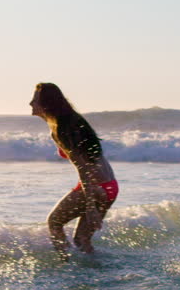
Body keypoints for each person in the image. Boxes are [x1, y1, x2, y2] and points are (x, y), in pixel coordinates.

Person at [30, 83, 117, 258]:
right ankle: (97, 272)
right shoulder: (73, 121)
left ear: (46, 104)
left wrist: (91, 206)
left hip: (95, 187)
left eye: (34, 100)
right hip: (110, 186)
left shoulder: (61, 129)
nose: (30, 103)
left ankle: (66, 265)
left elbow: (83, 167)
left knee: (54, 222)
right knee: (82, 241)